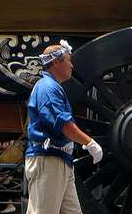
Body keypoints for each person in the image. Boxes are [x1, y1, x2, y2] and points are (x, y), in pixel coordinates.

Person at [26, 42, 102, 214]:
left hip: (59, 159)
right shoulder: (47, 87)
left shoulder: (51, 87)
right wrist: (89, 142)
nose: (72, 65)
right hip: (49, 159)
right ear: (55, 62)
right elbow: (62, 123)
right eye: (68, 60)